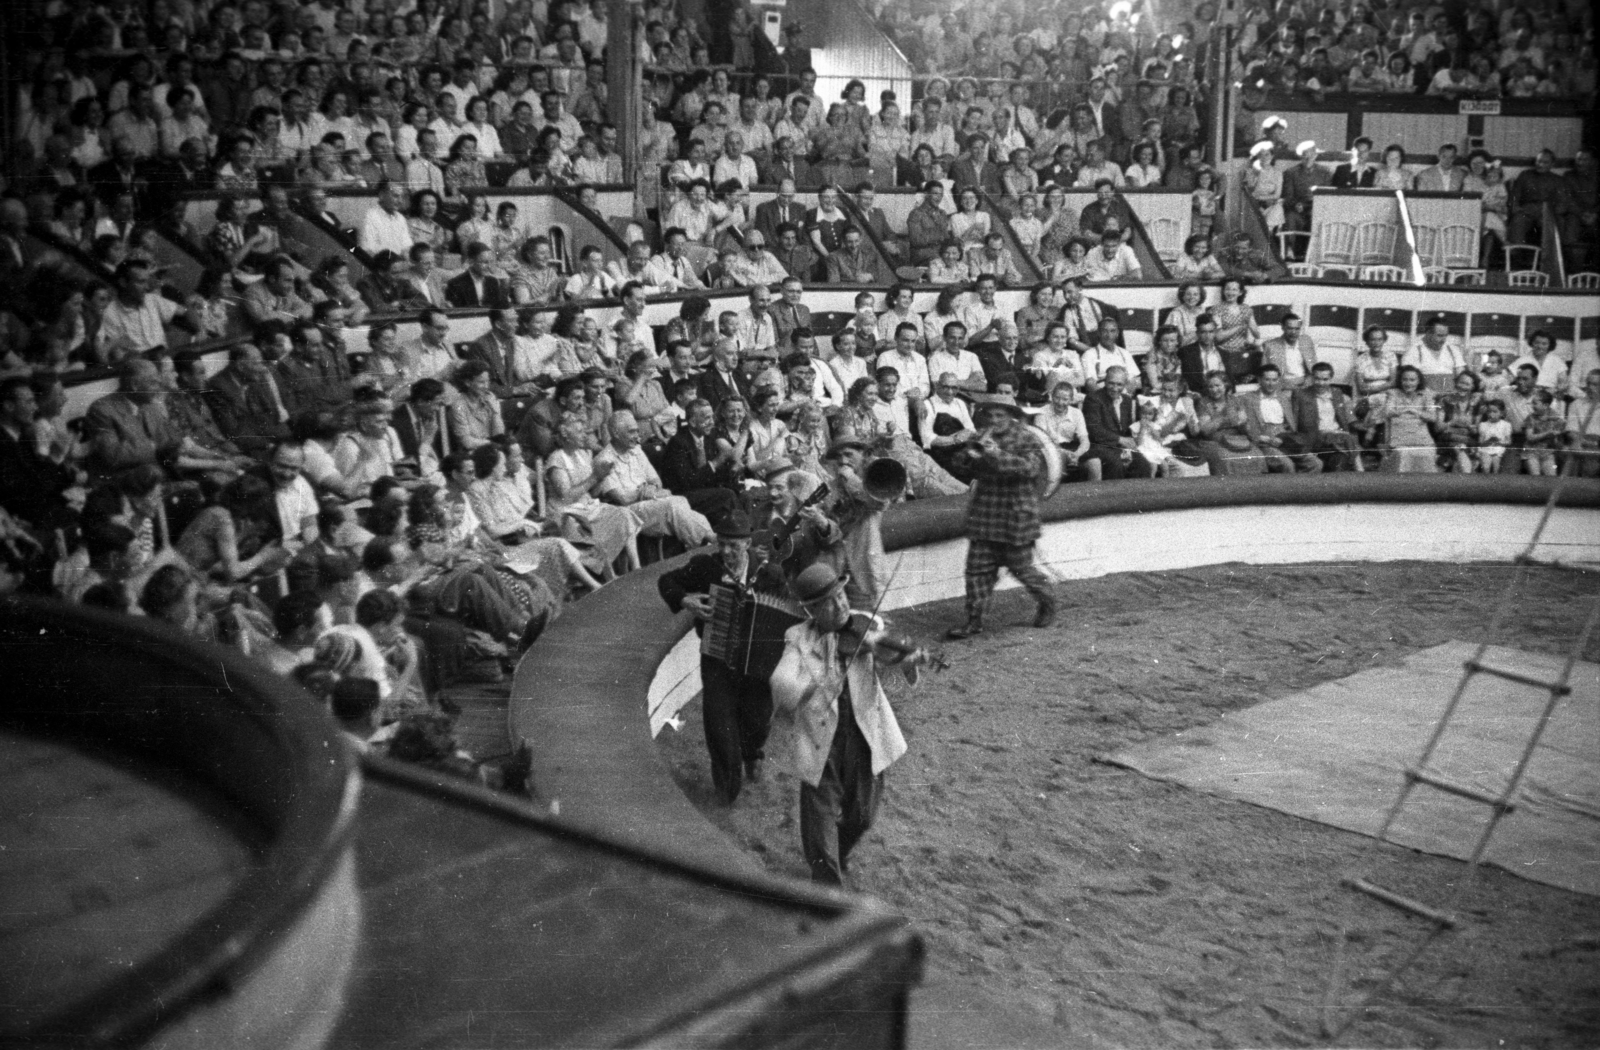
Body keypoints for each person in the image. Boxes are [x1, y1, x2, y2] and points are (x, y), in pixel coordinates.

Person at [770, 561, 928, 885]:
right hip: (820, 740)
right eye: (829, 603)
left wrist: (906, 661)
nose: (841, 605)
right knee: (819, 824)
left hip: (863, 735)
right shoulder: (798, 638)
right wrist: (812, 683)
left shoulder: (867, 625)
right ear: (812, 610)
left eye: (841, 596)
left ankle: (836, 854)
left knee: (863, 816)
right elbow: (781, 682)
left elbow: (888, 659)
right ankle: (827, 885)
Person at [657, 510, 785, 805]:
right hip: (716, 659)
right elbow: (666, 581)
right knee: (719, 725)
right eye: (722, 544)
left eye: (733, 546)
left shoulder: (769, 574)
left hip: (757, 664)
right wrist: (685, 600)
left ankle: (752, 753)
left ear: (748, 543)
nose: (726, 551)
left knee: (757, 721)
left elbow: (786, 613)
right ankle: (727, 791)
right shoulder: (706, 567)